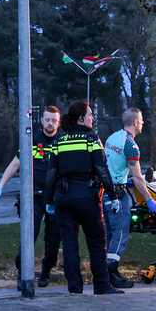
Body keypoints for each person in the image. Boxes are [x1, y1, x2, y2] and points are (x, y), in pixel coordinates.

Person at [45, 100, 124, 295]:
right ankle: (102, 285)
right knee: (97, 243)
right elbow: (102, 170)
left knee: (70, 245)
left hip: (63, 198)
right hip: (87, 197)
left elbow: (50, 174)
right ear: (81, 118)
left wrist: (48, 200)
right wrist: (113, 196)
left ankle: (75, 288)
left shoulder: (59, 142)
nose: (92, 118)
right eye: (90, 115)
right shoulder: (91, 140)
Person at [0, 106, 63, 286]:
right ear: (41, 120)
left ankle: (46, 271)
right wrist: (0, 186)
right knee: (28, 235)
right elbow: (15, 164)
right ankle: (22, 274)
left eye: (54, 120)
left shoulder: (64, 142)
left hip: (56, 198)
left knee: (54, 239)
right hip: (34, 196)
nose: (50, 123)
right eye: (47, 120)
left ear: (59, 122)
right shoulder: (31, 141)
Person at [103, 107, 156, 288]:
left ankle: (104, 272)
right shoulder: (130, 144)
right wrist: (149, 199)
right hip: (117, 196)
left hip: (104, 193)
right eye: (141, 120)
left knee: (109, 235)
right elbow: (137, 176)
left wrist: (122, 177)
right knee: (119, 235)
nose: (143, 123)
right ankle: (111, 273)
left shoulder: (113, 137)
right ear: (135, 122)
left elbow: (111, 164)